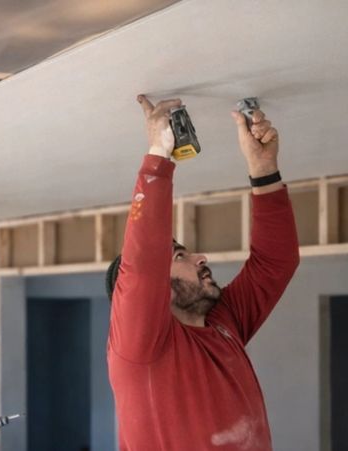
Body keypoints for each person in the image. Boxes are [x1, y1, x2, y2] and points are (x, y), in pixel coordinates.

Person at [106, 96, 300, 451]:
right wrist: (157, 156)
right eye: (180, 254)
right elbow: (143, 262)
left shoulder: (223, 322)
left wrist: (264, 169)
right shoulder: (140, 350)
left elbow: (275, 262)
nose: (201, 258)